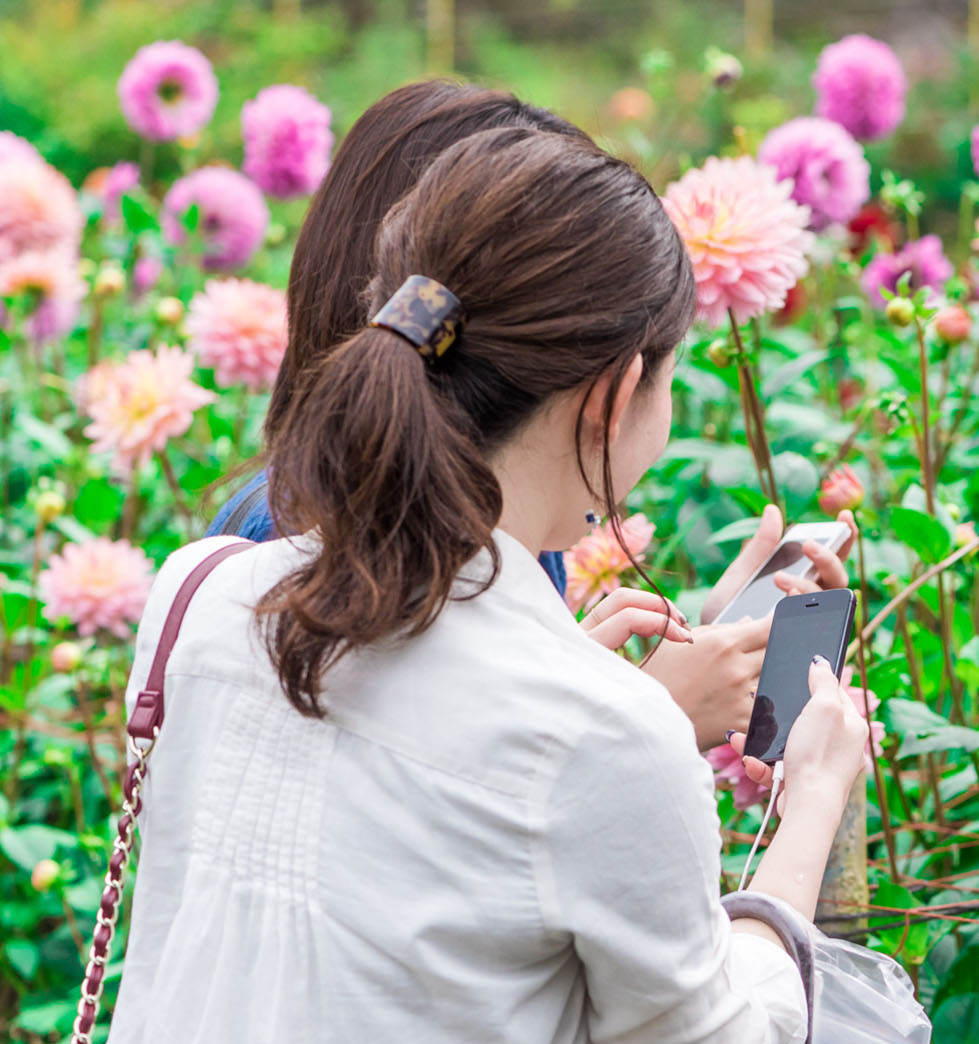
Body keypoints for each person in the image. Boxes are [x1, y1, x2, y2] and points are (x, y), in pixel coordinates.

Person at [82, 126, 868, 1044]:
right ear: (614, 391)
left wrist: (595, 689)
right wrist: (814, 801)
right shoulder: (596, 733)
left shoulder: (198, 593)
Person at [209, 80, 851, 748]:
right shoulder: (289, 535)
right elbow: (396, 814)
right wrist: (637, 722)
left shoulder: (505, 531)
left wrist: (593, 679)